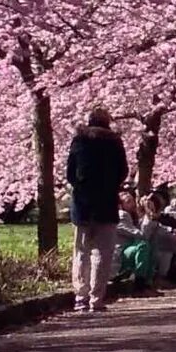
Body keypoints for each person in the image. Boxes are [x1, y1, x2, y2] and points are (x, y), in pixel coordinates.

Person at [66, 104, 130, 315]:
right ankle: (96, 298)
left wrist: (81, 186)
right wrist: (110, 186)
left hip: (83, 204)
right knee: (103, 253)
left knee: (81, 251)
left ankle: (80, 296)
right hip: (106, 203)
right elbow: (123, 171)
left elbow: (70, 173)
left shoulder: (79, 141)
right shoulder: (114, 143)